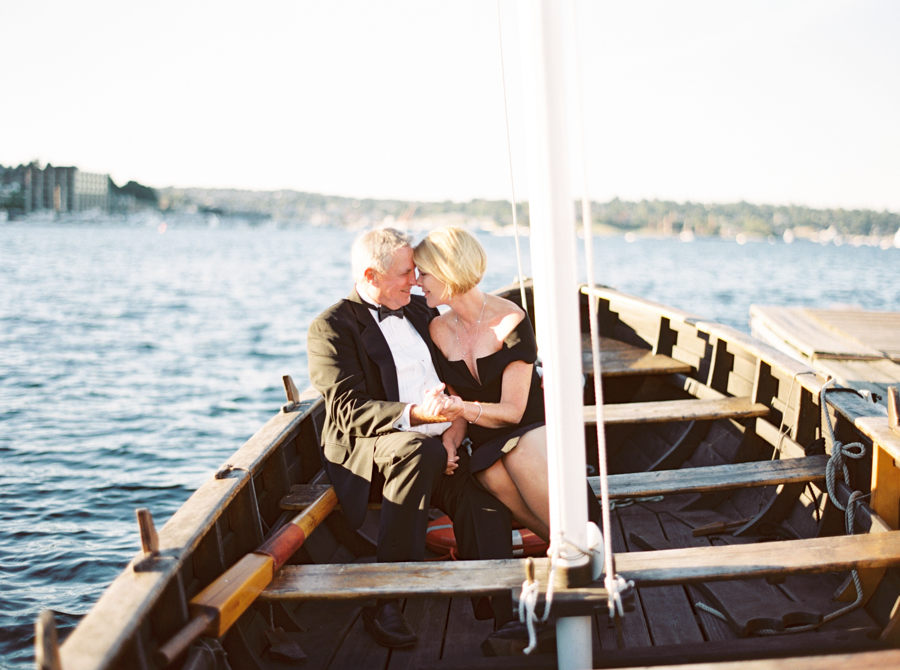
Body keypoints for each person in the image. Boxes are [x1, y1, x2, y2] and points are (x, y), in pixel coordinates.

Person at [307, 227, 522, 652]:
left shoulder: (422, 312)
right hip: (371, 446)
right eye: (407, 272)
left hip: (436, 440)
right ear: (371, 274)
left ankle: (500, 605)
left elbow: (453, 385)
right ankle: (385, 597)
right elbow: (350, 412)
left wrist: (453, 436)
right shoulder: (330, 327)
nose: (416, 279)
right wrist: (421, 418)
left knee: (478, 480)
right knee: (418, 451)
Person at [414, 227, 601, 542]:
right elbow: (455, 408)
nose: (417, 282)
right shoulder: (437, 329)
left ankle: (587, 539)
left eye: (424, 273)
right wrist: (449, 444)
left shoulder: (511, 320)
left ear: (447, 271)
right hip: (487, 440)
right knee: (491, 473)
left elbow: (514, 412)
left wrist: (462, 408)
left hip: (528, 427)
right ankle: (571, 548)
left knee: (516, 456)